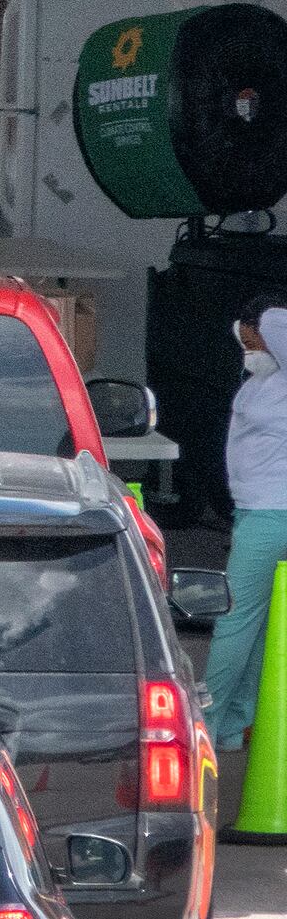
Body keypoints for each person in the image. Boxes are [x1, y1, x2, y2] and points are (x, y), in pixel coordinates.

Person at [201, 295, 287, 748]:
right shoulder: (269, 380)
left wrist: (260, 316)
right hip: (259, 511)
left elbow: (274, 321)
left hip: (272, 514)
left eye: (248, 331)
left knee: (235, 620)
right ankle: (234, 725)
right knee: (257, 630)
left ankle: (206, 724)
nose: (245, 339)